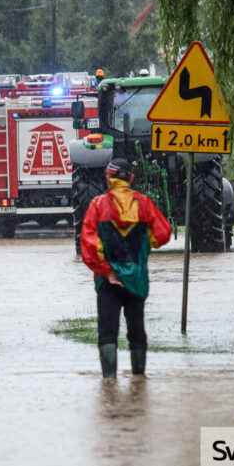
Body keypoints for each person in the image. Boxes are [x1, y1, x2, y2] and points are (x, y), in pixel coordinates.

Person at [80, 158, 172, 378]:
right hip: (136, 280)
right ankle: (139, 379)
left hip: (107, 281)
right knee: (137, 332)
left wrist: (107, 270)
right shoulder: (145, 204)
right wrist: (144, 243)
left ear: (109, 179)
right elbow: (163, 233)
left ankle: (109, 381)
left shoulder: (97, 205)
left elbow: (88, 245)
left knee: (107, 332)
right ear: (130, 178)